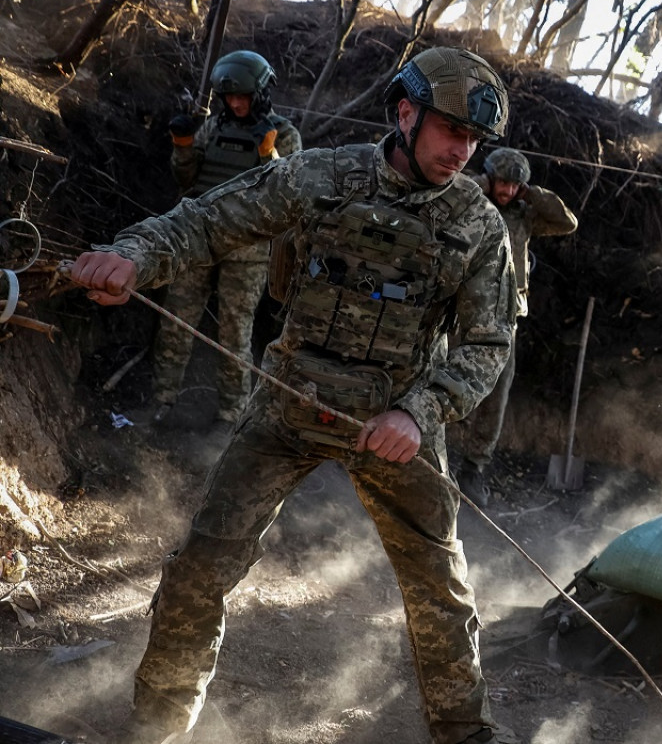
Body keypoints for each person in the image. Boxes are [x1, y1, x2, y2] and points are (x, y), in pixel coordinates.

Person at [71, 46, 518, 744]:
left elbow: (488, 344)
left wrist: (418, 410)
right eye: (451, 130)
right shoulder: (322, 174)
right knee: (200, 567)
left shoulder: (479, 226)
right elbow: (209, 221)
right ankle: (157, 723)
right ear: (405, 113)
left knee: (441, 588)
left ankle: (465, 731)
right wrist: (135, 253)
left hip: (396, 422)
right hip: (288, 402)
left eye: (473, 139)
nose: (463, 150)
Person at [154, 50, 303, 428]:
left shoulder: (283, 133)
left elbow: (291, 193)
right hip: (199, 238)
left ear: (261, 93)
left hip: (247, 249)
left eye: (244, 97)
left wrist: (269, 152)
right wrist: (183, 146)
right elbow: (187, 181)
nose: (236, 104)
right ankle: (161, 400)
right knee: (175, 321)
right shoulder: (214, 127)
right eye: (229, 97)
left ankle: (230, 415)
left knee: (235, 333)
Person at [455, 148, 578, 505]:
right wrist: (481, 183)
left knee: (497, 393)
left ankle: (474, 468)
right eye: (502, 183)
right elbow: (448, 190)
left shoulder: (525, 216)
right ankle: (429, 451)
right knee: (441, 371)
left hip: (505, 314)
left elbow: (567, 222)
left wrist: (531, 194)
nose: (507, 191)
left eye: (513, 185)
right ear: (490, 177)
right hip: (461, 305)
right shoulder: (472, 200)